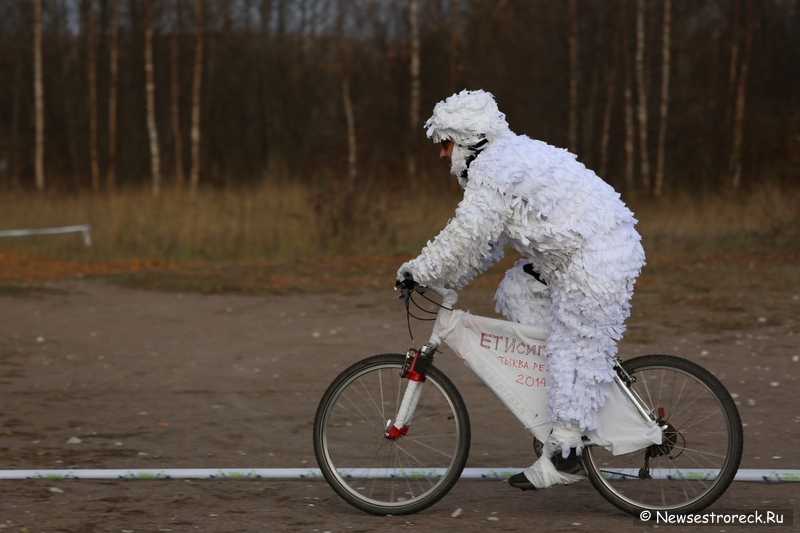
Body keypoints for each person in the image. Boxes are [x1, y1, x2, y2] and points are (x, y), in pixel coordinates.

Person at [396, 89, 645, 491]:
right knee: (517, 288)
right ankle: (567, 393)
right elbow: (487, 243)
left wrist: (420, 271)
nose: (442, 154)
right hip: (567, 257)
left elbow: (465, 237)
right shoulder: (501, 161)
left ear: (469, 139)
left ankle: (566, 453)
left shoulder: (494, 167)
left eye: (446, 144)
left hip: (599, 255)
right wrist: (445, 278)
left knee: (572, 341)